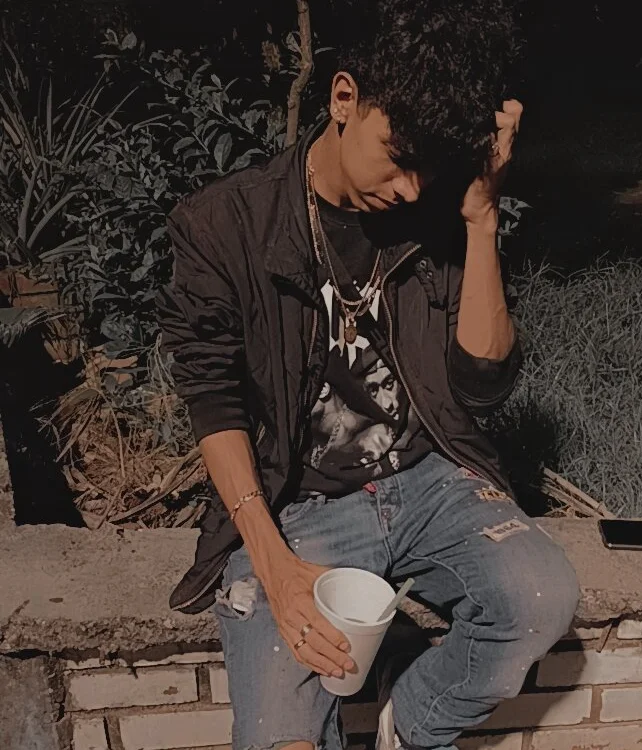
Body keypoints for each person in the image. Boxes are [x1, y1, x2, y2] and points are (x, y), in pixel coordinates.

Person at [156, 1, 580, 748]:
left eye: (430, 166)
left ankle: (407, 723)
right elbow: (213, 403)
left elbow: (481, 385)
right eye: (399, 154)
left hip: (429, 480)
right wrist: (275, 567)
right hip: (301, 503)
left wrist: (481, 219)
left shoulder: (435, 212)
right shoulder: (225, 226)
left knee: (541, 596)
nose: (411, 187)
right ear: (344, 98)